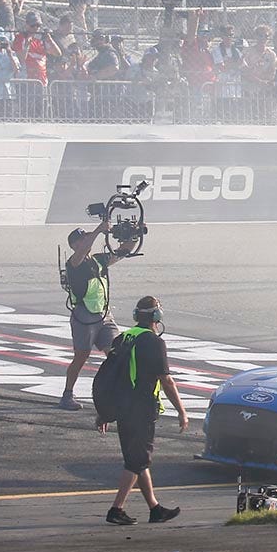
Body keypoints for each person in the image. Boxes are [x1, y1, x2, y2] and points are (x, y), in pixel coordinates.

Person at [98, 296, 187, 525]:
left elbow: (110, 376)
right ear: (157, 316)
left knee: (138, 460)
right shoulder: (154, 342)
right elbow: (166, 381)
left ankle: (155, 509)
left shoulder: (123, 338)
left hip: (122, 407)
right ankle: (116, 509)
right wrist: (181, 411)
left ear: (137, 315)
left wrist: (105, 411)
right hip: (141, 409)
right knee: (136, 462)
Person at [59, 219, 138, 410]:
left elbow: (123, 251)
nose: (86, 241)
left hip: (104, 314)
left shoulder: (98, 259)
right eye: (82, 240)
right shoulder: (73, 263)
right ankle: (67, 395)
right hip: (84, 316)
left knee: (117, 352)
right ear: (74, 245)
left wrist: (134, 234)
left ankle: (120, 393)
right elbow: (83, 250)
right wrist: (98, 230)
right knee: (81, 355)